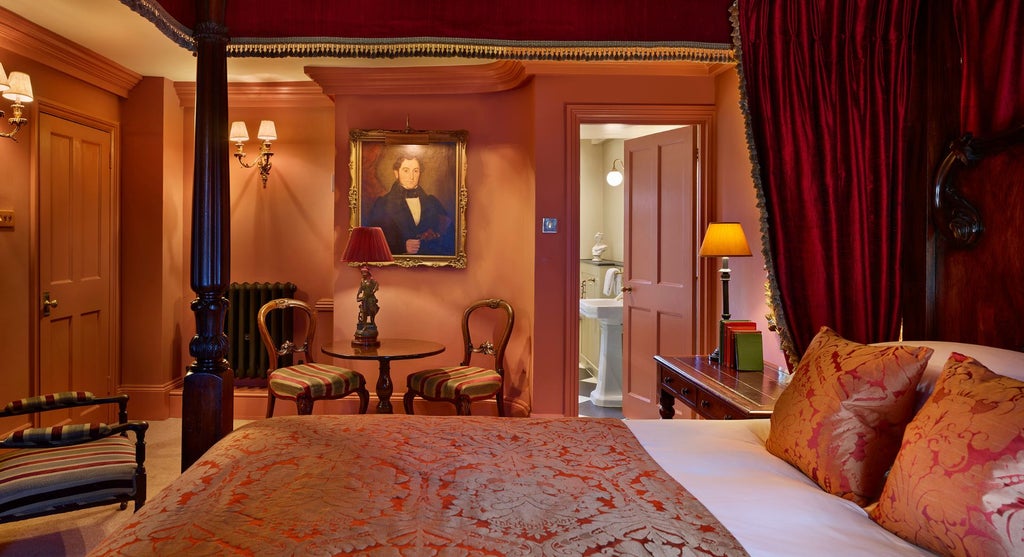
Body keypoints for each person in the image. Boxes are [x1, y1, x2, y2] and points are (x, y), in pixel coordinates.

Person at [367, 153, 454, 256]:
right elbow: (372, 241)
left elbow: (451, 236)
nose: (411, 176)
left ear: (420, 173)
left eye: (415, 171)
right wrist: (401, 247)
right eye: (406, 170)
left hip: (430, 265)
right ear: (396, 173)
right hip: (396, 268)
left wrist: (436, 235)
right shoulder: (383, 204)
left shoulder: (432, 202)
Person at [355, 267, 380, 334]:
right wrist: (357, 295)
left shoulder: (371, 280)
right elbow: (360, 288)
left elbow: (377, 285)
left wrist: (373, 291)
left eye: (364, 273)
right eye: (362, 273)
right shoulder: (362, 281)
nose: (363, 274)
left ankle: (372, 321)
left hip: (371, 298)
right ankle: (365, 326)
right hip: (364, 298)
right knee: (364, 312)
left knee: (372, 310)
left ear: (368, 273)